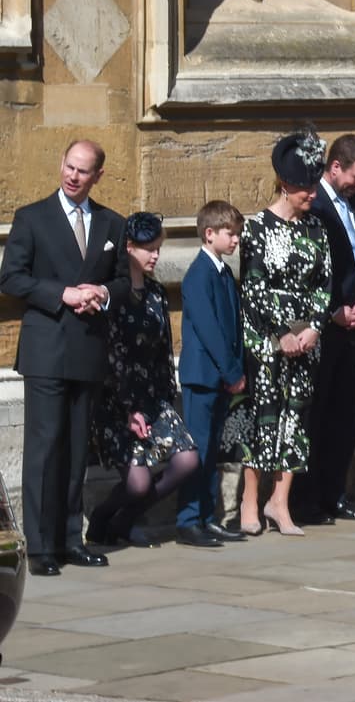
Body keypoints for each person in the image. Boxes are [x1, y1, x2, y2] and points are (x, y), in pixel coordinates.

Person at [0, 140, 129, 577]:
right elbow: (12, 278)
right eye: (69, 167)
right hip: (46, 351)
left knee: (76, 452)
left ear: (97, 177)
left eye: (82, 171)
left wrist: (104, 293)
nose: (73, 176)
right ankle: (39, 547)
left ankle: (72, 538)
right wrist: (64, 293)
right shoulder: (32, 218)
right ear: (62, 165)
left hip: (88, 350)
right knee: (45, 449)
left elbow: (124, 282)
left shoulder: (112, 223)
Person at [221, 131, 333, 536]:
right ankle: (250, 500)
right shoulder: (255, 229)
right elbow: (252, 288)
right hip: (266, 339)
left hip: (306, 340)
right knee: (264, 417)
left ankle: (280, 503)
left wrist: (315, 328)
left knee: (295, 419)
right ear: (285, 186)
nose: (312, 196)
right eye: (305, 189)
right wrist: (282, 332)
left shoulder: (318, 229)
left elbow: (324, 284)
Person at [88, 213, 199, 548]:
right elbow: (110, 355)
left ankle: (125, 521)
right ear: (129, 248)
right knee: (136, 483)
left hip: (152, 396)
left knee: (188, 459)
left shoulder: (156, 292)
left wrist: (166, 393)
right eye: (148, 249)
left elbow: (164, 345)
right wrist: (128, 408)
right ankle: (102, 518)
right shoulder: (112, 294)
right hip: (116, 400)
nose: (155, 256)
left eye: (158, 249)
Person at [293, 133, 355, 525]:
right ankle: (306, 499)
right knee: (318, 416)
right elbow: (304, 275)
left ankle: (336, 494)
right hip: (321, 330)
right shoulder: (313, 204)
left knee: (347, 416)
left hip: (354, 330)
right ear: (336, 166)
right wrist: (331, 313)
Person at [177, 200, 247, 547]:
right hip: (203, 376)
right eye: (229, 234)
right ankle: (188, 519)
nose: (235, 241)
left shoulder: (222, 273)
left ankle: (206, 516)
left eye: (237, 234)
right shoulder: (198, 275)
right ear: (209, 234)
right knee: (198, 452)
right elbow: (209, 329)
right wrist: (232, 369)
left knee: (212, 453)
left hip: (220, 377)